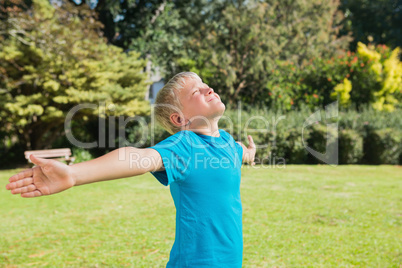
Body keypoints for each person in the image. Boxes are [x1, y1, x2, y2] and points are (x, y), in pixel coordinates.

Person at [5, 72, 256, 267]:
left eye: (205, 84)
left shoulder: (226, 142)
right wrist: (74, 173)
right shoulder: (184, 146)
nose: (207, 89)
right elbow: (138, 157)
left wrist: (249, 154)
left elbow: (239, 153)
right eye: (195, 92)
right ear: (179, 119)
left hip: (232, 260)